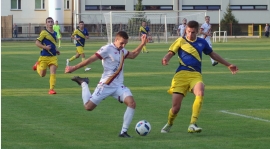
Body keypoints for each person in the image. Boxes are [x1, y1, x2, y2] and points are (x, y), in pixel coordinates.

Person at [160, 20, 238, 134]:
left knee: (200, 92)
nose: (190, 34)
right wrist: (166, 58)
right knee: (175, 108)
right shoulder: (180, 41)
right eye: (188, 31)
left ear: (197, 31)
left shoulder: (202, 42)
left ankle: (192, 124)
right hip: (181, 76)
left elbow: (213, 54)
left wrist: (228, 65)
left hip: (195, 75)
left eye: (192, 32)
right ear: (186, 30)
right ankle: (169, 123)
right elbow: (171, 52)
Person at [65, 31, 147, 138]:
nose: (123, 46)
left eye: (125, 44)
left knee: (132, 103)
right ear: (116, 40)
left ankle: (123, 132)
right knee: (88, 107)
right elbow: (90, 60)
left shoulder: (122, 50)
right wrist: (73, 68)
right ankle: (84, 83)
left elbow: (133, 55)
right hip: (105, 85)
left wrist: (142, 43)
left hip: (118, 86)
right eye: (122, 43)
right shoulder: (107, 49)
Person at [32, 17, 60, 94]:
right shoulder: (44, 32)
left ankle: (51, 89)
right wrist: (45, 47)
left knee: (53, 72)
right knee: (42, 74)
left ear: (53, 23)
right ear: (46, 24)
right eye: (49, 22)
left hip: (53, 57)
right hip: (44, 57)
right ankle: (37, 65)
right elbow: (37, 42)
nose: (50, 23)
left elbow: (53, 44)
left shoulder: (55, 33)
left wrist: (56, 50)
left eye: (51, 21)